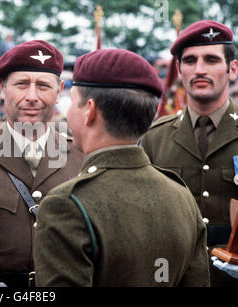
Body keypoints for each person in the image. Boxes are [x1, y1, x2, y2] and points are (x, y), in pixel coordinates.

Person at [34, 49, 210, 286]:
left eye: (73, 101)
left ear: (90, 110)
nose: (68, 112)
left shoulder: (66, 205)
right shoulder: (181, 195)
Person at [0, 40, 83, 287]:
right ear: (2, 89)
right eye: (21, 84)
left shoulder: (83, 156)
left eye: (43, 86)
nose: (32, 97)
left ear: (59, 90)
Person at [140, 20, 237, 286]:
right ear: (180, 71)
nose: (200, 69)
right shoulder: (154, 138)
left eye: (211, 59)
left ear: (232, 69)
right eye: (190, 61)